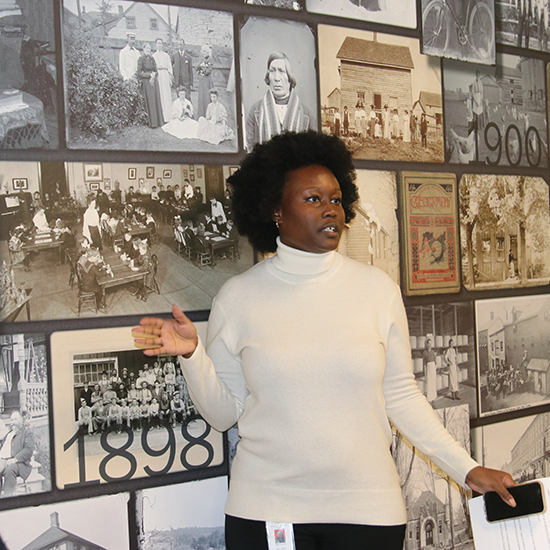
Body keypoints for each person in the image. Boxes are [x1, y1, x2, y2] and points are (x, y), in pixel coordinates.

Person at [134, 131, 516, 550]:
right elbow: (224, 413)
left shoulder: (377, 291)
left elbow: (402, 398)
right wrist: (192, 353)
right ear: (275, 211)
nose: (330, 210)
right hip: (266, 509)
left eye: (336, 199)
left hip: (368, 511)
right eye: (313, 199)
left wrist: (466, 469)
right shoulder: (238, 298)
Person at [245, 51, 315, 152]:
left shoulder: (306, 115)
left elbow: (313, 154)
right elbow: (249, 153)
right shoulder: (255, 111)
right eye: (272, 71)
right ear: (268, 76)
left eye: (281, 71)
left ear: (289, 77)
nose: (276, 78)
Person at [0, 411, 33, 498]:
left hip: (19, 463)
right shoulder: (8, 434)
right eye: (11, 420)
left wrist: (15, 459)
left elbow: (28, 450)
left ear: (21, 420)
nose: (13, 422)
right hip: (3, 460)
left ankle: (8, 499)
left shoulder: (26, 433)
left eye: (15, 419)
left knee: (9, 470)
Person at [137, 42, 164, 128]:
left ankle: (158, 121)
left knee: (155, 100)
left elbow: (156, 70)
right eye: (146, 48)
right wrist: (149, 75)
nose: (148, 50)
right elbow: (139, 73)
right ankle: (151, 122)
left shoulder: (152, 59)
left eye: (149, 48)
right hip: (146, 82)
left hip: (153, 82)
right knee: (149, 101)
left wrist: (154, 75)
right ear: (143, 49)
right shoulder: (141, 59)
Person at [153, 38, 174, 123]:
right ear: (156, 45)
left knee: (166, 94)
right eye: (158, 43)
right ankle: (161, 116)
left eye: (161, 43)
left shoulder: (166, 55)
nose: (159, 45)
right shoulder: (154, 56)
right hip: (158, 74)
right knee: (160, 93)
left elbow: (169, 67)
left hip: (165, 74)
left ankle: (168, 116)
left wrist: (170, 77)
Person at [197, 44, 214, 118]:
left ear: (207, 52)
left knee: (207, 97)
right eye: (202, 51)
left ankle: (208, 115)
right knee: (201, 97)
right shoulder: (201, 59)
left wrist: (202, 67)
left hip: (207, 80)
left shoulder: (210, 59)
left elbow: (208, 71)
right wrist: (201, 65)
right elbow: (196, 67)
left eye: (205, 51)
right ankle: (201, 115)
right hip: (201, 80)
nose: (203, 53)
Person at [422, 338, 437, 404]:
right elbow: (424, 364)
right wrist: (425, 374)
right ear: (427, 344)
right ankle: (430, 399)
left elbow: (435, 362)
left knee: (433, 384)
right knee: (429, 384)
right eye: (429, 343)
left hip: (433, 368)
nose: (430, 345)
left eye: (431, 343)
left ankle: (433, 399)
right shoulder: (425, 353)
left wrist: (435, 369)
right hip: (428, 369)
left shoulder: (433, 352)